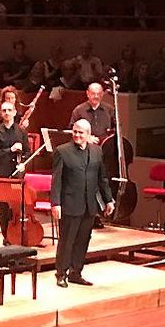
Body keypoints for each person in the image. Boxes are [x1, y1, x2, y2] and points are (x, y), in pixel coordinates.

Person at [51, 120, 115, 288]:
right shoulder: (62, 151)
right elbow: (56, 180)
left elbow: (102, 178)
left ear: (88, 134)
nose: (77, 135)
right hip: (70, 203)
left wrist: (108, 199)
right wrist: (55, 203)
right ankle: (61, 273)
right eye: (75, 132)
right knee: (67, 240)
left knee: (83, 239)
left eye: (81, 133)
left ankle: (76, 272)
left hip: (89, 205)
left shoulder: (96, 151)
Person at [0, 101, 30, 240]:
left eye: (9, 110)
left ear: (14, 112)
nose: (6, 113)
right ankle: (7, 236)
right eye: (4, 110)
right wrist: (9, 150)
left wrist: (23, 163)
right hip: (3, 172)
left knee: (17, 206)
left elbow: (27, 152)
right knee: (3, 207)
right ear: (1, 113)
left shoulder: (21, 131)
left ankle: (17, 235)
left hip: (17, 172)